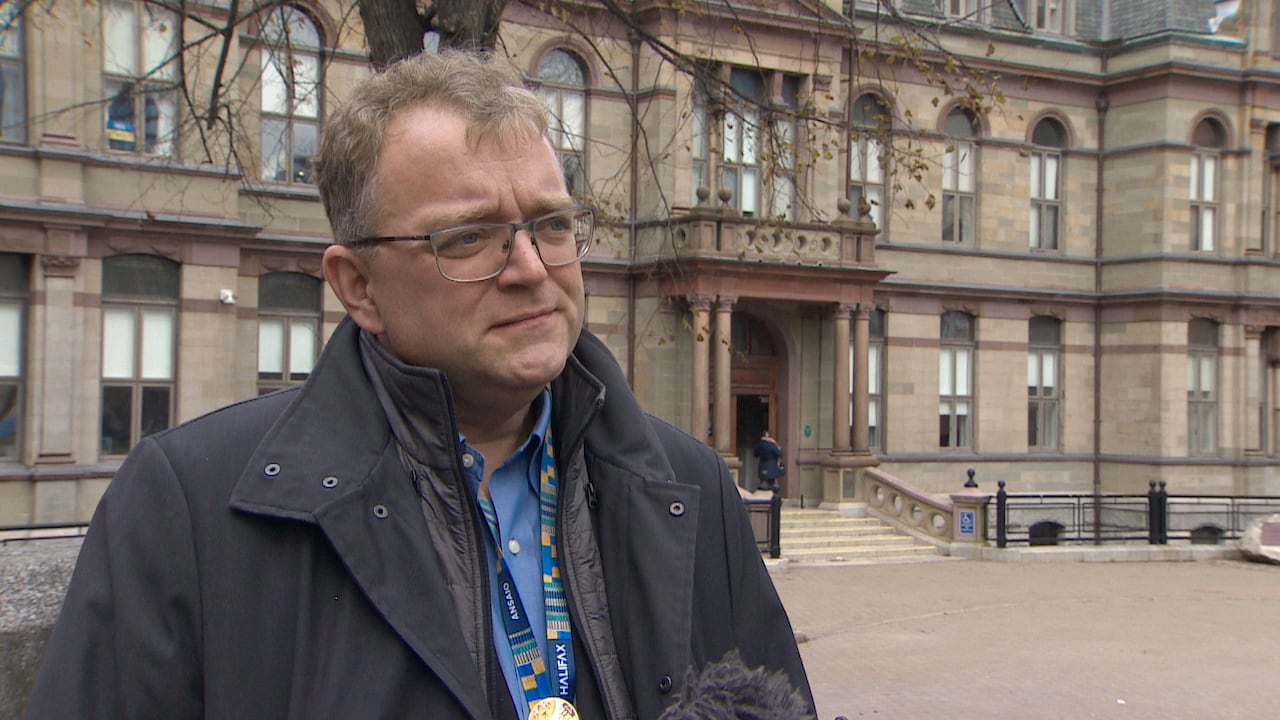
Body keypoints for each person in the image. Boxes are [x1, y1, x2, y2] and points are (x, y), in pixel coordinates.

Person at [24, 51, 812, 720]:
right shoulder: (188, 510)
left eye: (552, 225)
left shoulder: (690, 487)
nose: (533, 269)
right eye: (468, 238)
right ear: (358, 284)